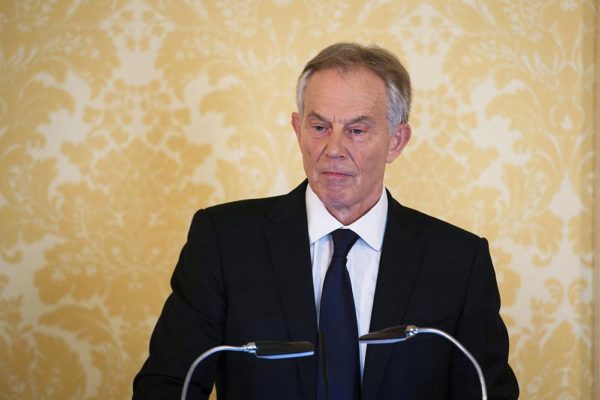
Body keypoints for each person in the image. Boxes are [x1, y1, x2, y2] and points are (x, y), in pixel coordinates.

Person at [132, 42, 519, 399]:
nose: (334, 149)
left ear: (397, 141)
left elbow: (488, 392)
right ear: (298, 130)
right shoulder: (223, 242)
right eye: (319, 128)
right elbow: (168, 384)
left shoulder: (458, 261)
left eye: (357, 130)